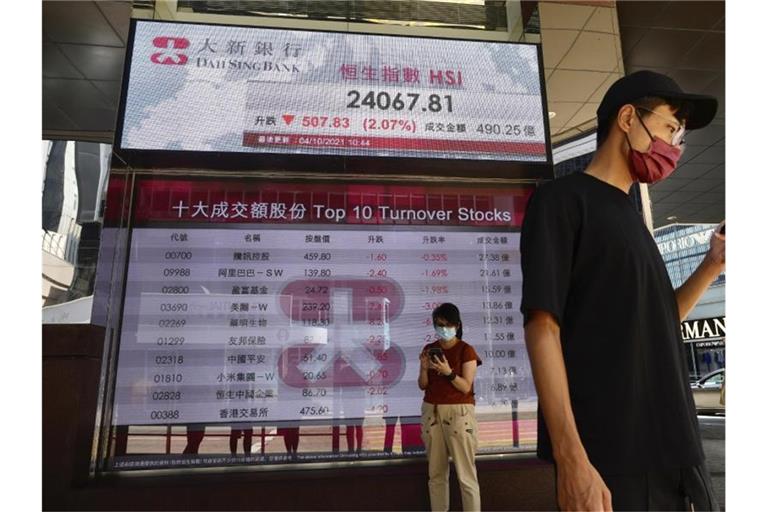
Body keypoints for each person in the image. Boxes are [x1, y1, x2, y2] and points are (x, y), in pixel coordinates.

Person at [520, 70, 724, 511]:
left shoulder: (632, 218)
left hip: (674, 456)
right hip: (612, 461)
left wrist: (712, 265)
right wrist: (571, 458)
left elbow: (659, 321)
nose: (675, 147)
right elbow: (542, 327)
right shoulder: (561, 201)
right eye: (670, 128)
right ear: (629, 118)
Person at [418, 303, 482, 512]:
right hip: (432, 412)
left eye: (446, 325)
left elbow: (465, 386)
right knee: (436, 475)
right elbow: (423, 385)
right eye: (438, 324)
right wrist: (424, 369)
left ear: (456, 325)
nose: (442, 329)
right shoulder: (429, 349)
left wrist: (448, 371)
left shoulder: (466, 350)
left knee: (466, 476)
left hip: (458, 414)